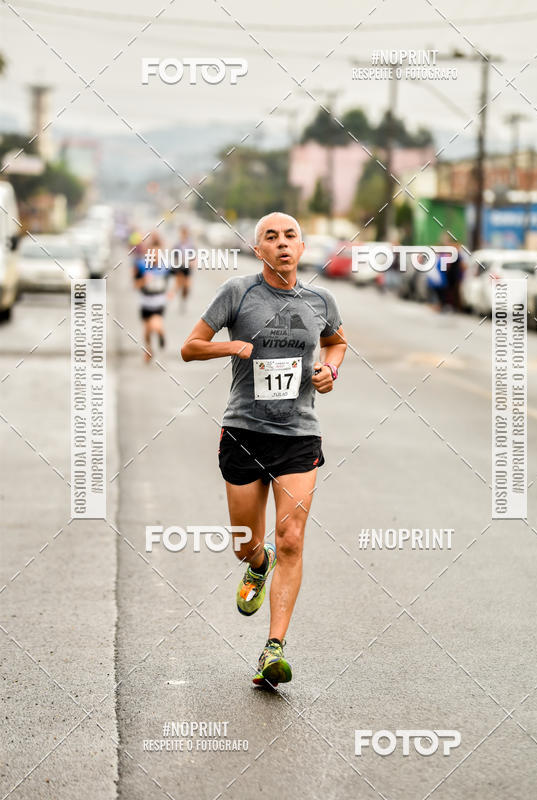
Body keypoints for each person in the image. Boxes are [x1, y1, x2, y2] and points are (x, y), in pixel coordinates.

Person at [181, 212, 347, 688]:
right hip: (244, 432)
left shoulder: (320, 300)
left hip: (299, 434)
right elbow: (190, 347)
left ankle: (273, 649)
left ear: (302, 247)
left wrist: (330, 371)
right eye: (270, 237)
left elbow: (337, 344)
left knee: (291, 538)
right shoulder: (237, 292)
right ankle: (258, 563)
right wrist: (231, 347)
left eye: (290, 236)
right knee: (245, 545)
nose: (282, 243)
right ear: (258, 250)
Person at [134, 231, 173, 362]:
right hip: (145, 303)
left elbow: (179, 277)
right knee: (147, 331)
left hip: (159, 303)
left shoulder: (166, 267)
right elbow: (135, 285)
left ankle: (161, 334)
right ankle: (148, 349)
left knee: (155, 325)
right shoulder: (142, 266)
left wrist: (172, 291)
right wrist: (143, 280)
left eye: (157, 254)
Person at [171, 225, 196, 311]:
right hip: (179, 266)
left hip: (187, 267)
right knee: (178, 283)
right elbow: (174, 255)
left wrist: (193, 262)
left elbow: (194, 255)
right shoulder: (178, 244)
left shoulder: (190, 244)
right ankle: (172, 298)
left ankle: (183, 300)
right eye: (183, 233)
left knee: (187, 286)